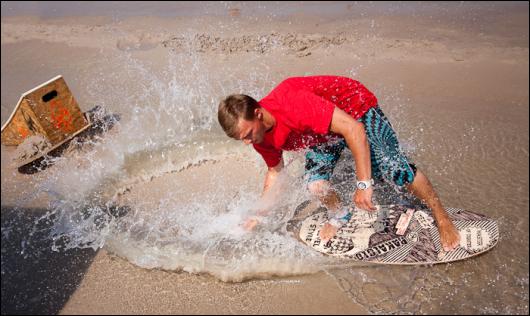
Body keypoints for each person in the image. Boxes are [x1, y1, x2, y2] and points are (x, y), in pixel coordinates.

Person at [217, 75, 460, 252]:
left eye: (248, 134)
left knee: (394, 170)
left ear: (258, 114)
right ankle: (340, 213)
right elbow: (275, 172)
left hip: (355, 111)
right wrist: (259, 214)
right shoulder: (258, 136)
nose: (248, 142)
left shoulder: (293, 105)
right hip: (323, 133)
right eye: (242, 139)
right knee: (315, 185)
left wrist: (364, 184)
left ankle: (441, 215)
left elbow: (354, 129)